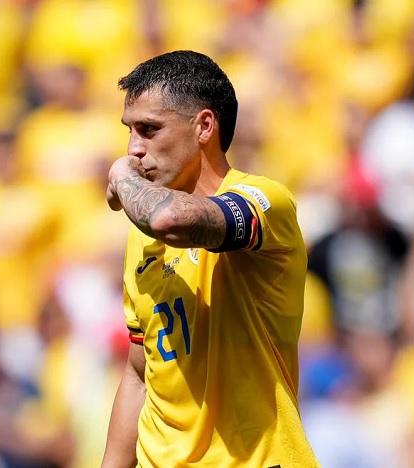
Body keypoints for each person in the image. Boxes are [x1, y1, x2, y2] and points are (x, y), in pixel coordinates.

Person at [102, 50, 319, 467]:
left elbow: (170, 219)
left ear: (203, 126)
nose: (133, 150)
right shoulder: (141, 239)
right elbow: (139, 373)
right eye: (130, 131)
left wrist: (120, 176)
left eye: (149, 130)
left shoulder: (265, 200)